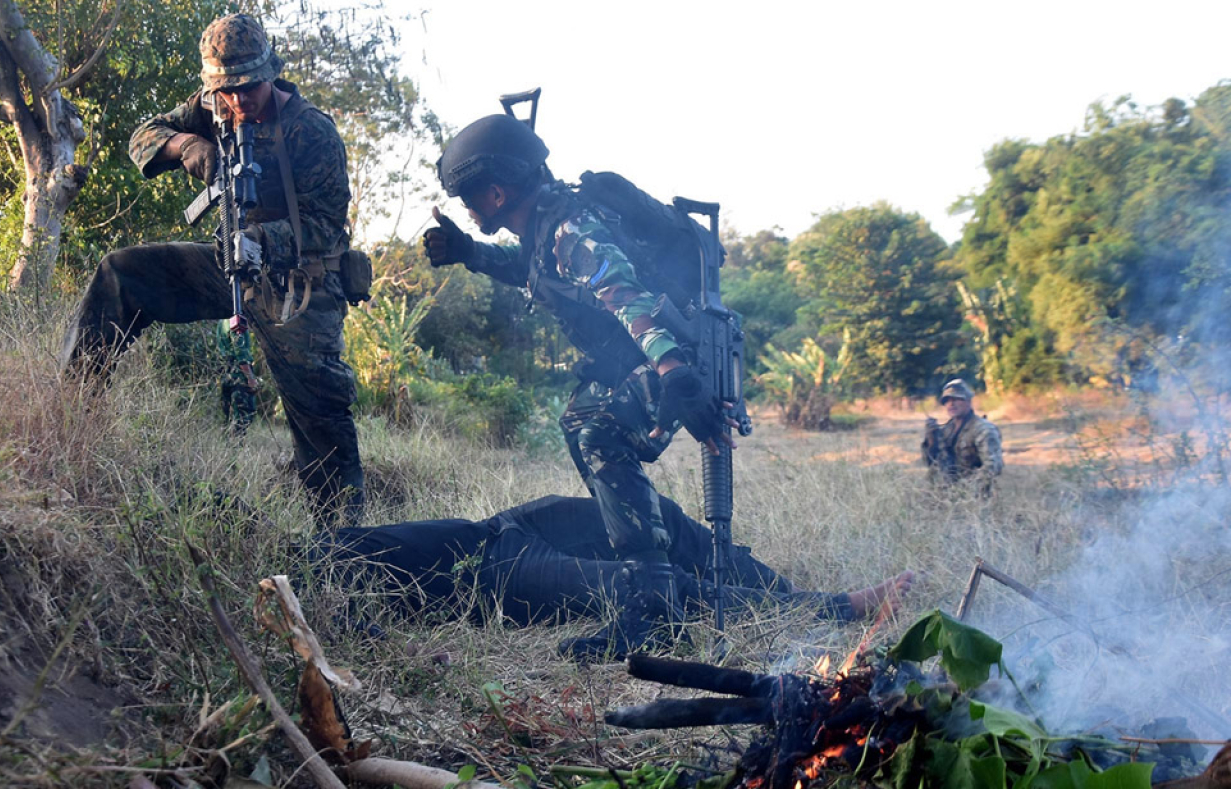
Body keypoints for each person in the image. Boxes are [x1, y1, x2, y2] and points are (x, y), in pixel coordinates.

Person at [422, 115, 734, 660]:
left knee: (599, 436)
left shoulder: (570, 229)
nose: (468, 208)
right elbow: (529, 271)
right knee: (580, 426)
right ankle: (651, 574)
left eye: (469, 197)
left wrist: (675, 373)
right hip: (643, 358)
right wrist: (467, 251)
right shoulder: (541, 228)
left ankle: (656, 610)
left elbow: (624, 295)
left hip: (678, 356)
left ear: (496, 191)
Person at [60, 14, 364, 526]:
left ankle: (344, 549)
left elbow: (325, 225)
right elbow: (144, 134)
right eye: (226, 91)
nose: (239, 102)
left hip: (299, 286)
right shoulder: (211, 108)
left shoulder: (312, 132)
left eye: (249, 88)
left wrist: (263, 239)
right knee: (122, 274)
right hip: (230, 265)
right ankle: (66, 420)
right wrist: (186, 146)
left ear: (270, 73)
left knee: (321, 418)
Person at [320, 494, 916, 660]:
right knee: (652, 587)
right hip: (499, 571)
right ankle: (838, 607)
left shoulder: (324, 556)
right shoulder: (321, 587)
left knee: (664, 521)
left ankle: (776, 591)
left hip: (500, 533)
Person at [922, 379, 1004, 493]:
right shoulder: (946, 430)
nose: (951, 404)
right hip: (946, 494)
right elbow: (932, 464)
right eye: (947, 400)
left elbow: (993, 467)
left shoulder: (984, 430)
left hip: (975, 496)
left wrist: (965, 489)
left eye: (956, 399)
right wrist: (931, 441)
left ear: (968, 401)